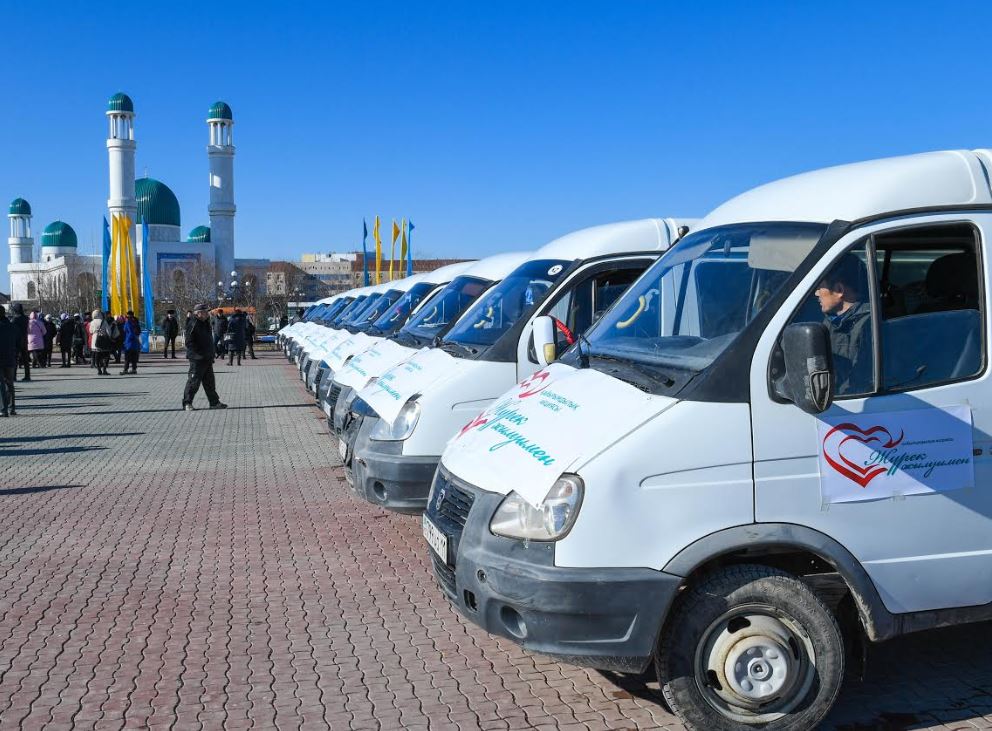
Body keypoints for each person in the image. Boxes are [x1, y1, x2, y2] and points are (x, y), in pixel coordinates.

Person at [815, 253, 872, 395]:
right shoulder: (830, 320)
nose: (816, 293)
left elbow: (858, 384)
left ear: (839, 290)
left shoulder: (867, 326)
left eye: (820, 287)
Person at [183, 303, 227, 411]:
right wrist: (199, 353)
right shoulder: (193, 323)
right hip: (197, 358)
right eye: (206, 312)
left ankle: (214, 403)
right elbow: (189, 342)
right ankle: (187, 403)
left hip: (207, 358)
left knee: (209, 382)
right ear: (199, 313)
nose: (208, 314)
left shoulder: (205, 323)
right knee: (193, 382)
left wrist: (211, 353)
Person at [0, 306, 17, 416]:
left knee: (1, 383)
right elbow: (19, 341)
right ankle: (12, 407)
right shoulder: (12, 326)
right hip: (10, 358)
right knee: (10, 383)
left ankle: (3, 409)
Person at [88, 309, 112, 376]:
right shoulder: (104, 321)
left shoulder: (92, 322)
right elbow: (108, 331)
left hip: (95, 340)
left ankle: (99, 370)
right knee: (106, 355)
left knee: (97, 356)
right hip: (103, 340)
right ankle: (104, 369)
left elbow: (90, 331)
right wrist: (109, 337)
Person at [9, 303, 29, 382]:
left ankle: (14, 376)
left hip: (17, 340)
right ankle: (27, 375)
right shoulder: (26, 318)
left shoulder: (15, 319)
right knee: (25, 359)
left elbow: (11, 329)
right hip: (25, 339)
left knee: (15, 359)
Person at [121, 311, 141, 375]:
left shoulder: (128, 323)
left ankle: (125, 370)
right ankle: (134, 369)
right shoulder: (135, 321)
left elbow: (130, 333)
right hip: (135, 342)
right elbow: (138, 331)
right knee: (134, 357)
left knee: (127, 357)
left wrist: (127, 341)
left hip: (129, 343)